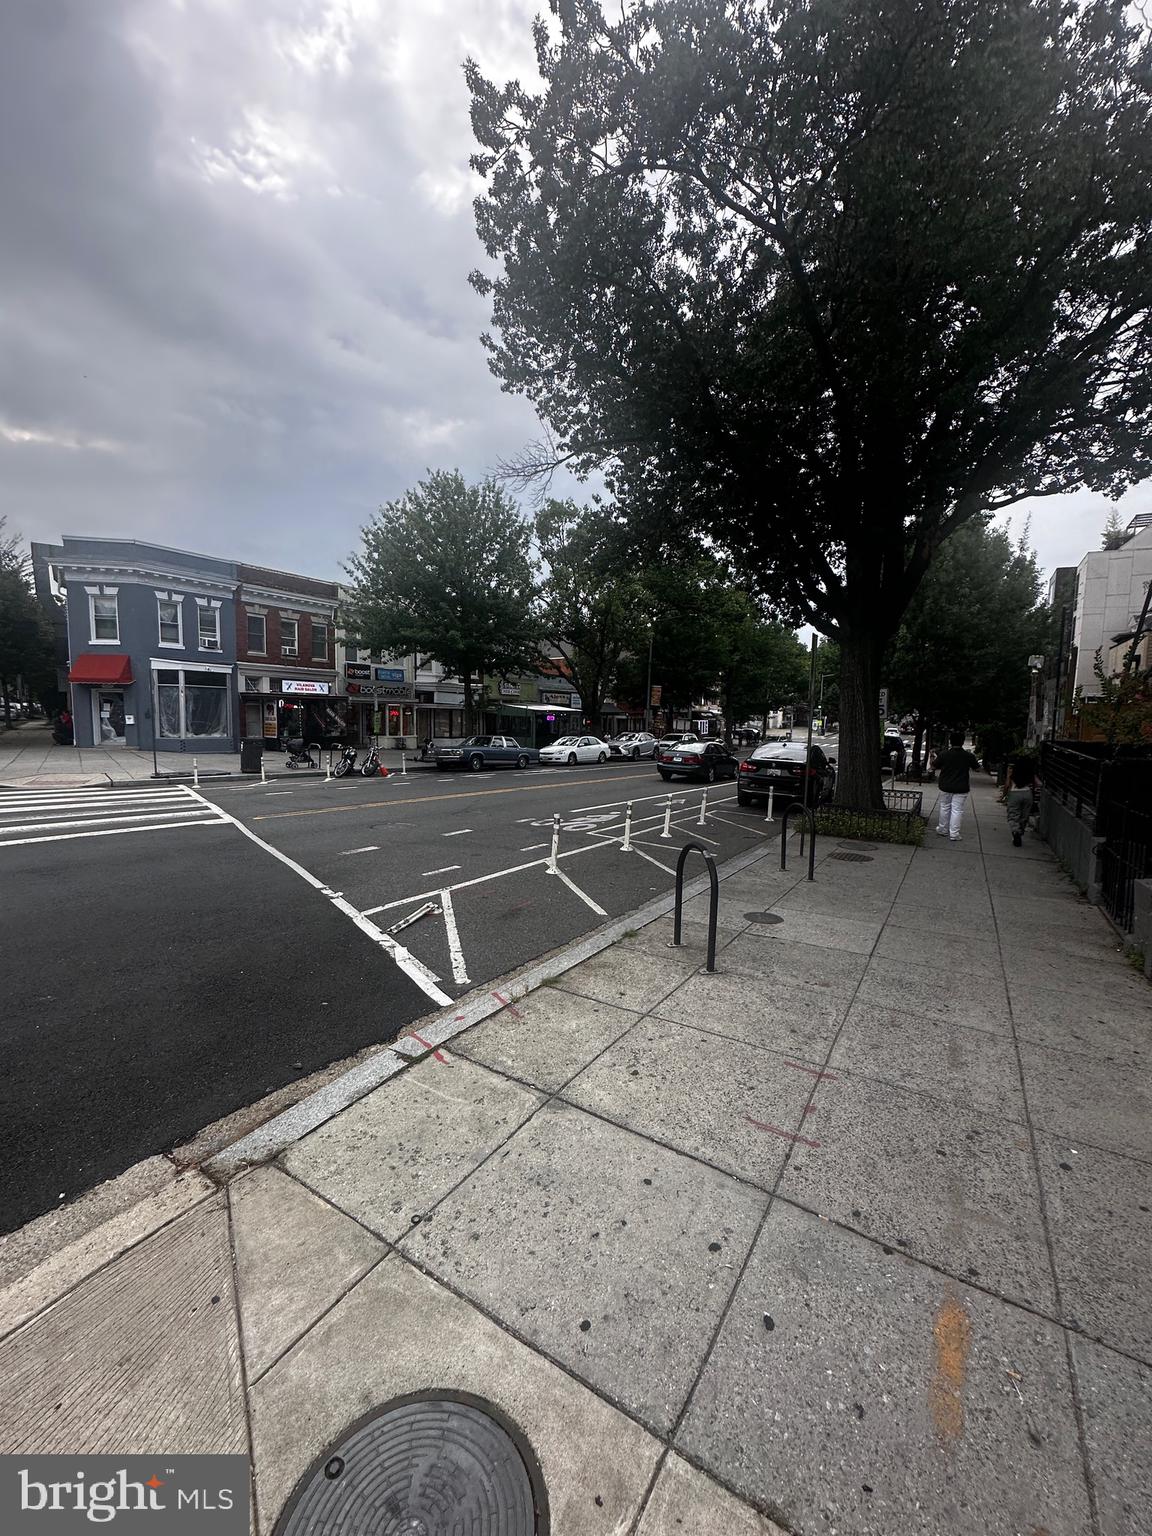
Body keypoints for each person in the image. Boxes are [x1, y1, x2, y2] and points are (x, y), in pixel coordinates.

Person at [932, 730, 983, 841]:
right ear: (962, 741)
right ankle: (954, 834)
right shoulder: (968, 755)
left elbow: (933, 767)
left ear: (950, 741)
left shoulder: (944, 754)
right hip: (961, 786)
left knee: (944, 807)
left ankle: (942, 829)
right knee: (957, 810)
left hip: (945, 785)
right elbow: (978, 769)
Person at [1001, 750, 1039, 847]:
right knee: (1024, 816)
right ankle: (1020, 832)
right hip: (1027, 793)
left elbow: (1007, 784)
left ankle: (1016, 832)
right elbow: (1037, 783)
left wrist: (1004, 795)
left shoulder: (1012, 770)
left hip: (1015, 793)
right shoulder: (1029, 771)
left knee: (1013, 815)